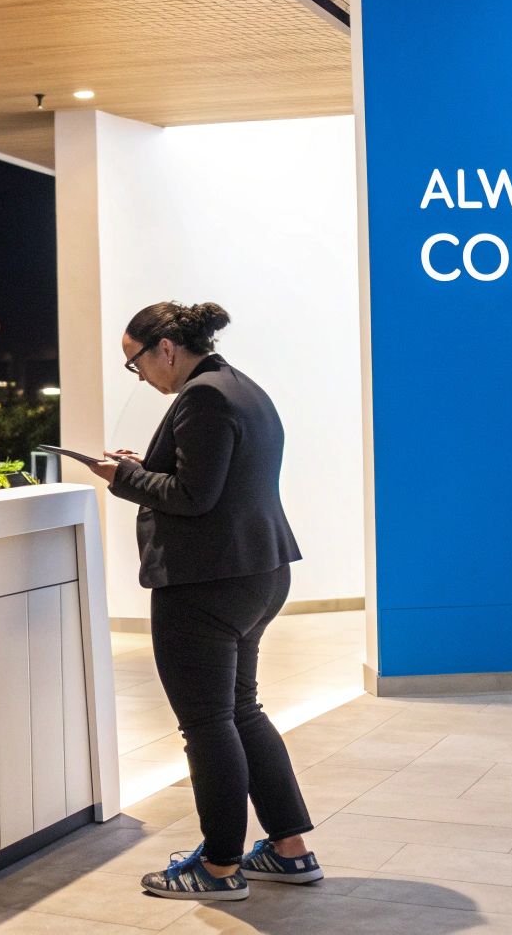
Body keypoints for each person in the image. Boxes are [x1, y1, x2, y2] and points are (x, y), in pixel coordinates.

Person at [86, 301, 320, 901]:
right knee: (241, 712)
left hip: (207, 581)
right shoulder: (242, 388)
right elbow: (213, 476)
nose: (137, 375)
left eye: (134, 361)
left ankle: (218, 869)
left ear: (166, 347)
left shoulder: (202, 397)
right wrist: (145, 466)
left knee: (209, 724)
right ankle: (290, 848)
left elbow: (194, 495)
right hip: (256, 572)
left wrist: (122, 477)